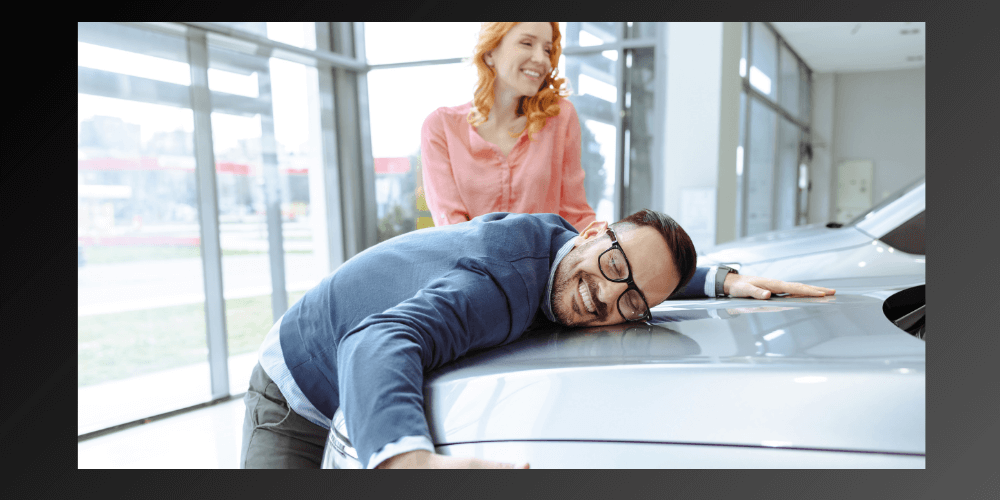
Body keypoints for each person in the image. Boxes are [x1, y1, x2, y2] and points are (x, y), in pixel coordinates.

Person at [240, 210, 835, 469]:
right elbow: (377, 339)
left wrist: (723, 281)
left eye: (631, 305)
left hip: (350, 398)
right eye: (613, 266)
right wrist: (404, 459)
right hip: (294, 389)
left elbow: (634, 276)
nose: (605, 296)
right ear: (593, 231)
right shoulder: (496, 284)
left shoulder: (568, 249)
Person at [420, 22, 597, 233]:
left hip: (542, 266)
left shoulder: (560, 118)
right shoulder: (441, 127)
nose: (542, 59)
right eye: (527, 43)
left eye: (547, 49)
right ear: (489, 53)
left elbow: (575, 216)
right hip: (468, 265)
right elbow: (451, 229)